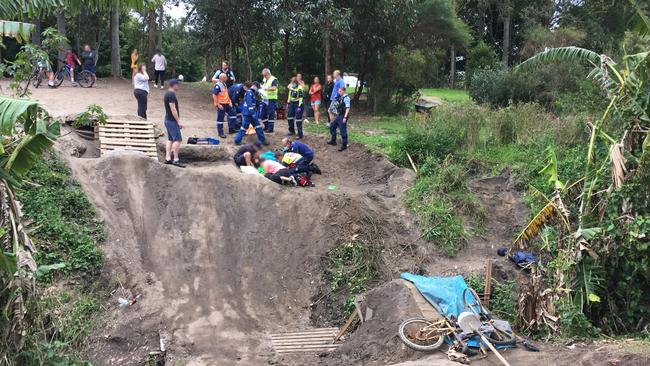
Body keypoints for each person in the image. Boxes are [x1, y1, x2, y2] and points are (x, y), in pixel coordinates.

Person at [163, 79, 185, 167]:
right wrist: (178, 121)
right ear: (174, 85)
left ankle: (168, 158)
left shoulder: (167, 94)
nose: (178, 86)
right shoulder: (171, 95)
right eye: (177, 84)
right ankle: (176, 159)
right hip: (172, 121)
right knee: (178, 140)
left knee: (170, 139)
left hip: (167, 120)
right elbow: (173, 108)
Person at [212, 73, 238, 138]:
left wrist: (229, 102)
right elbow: (214, 95)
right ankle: (220, 133)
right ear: (222, 78)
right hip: (221, 104)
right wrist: (217, 104)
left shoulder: (224, 84)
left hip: (227, 103)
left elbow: (226, 94)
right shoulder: (218, 85)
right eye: (225, 77)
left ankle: (231, 129)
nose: (227, 78)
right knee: (220, 119)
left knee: (233, 114)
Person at [327, 86, 351, 151]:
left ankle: (344, 145)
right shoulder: (340, 97)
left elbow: (347, 108)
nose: (339, 92)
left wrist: (345, 117)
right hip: (339, 115)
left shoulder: (346, 98)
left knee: (342, 130)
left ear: (343, 91)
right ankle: (333, 140)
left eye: (340, 91)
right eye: (339, 91)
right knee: (332, 126)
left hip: (343, 115)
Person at [259, 68, 279, 133]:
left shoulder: (274, 79)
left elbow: (274, 87)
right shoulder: (265, 79)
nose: (264, 77)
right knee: (262, 115)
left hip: (271, 99)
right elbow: (263, 86)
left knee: (270, 114)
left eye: (265, 75)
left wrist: (266, 88)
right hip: (264, 99)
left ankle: (270, 129)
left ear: (268, 73)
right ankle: (267, 126)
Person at [286, 74, 305, 138]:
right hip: (292, 103)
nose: (292, 84)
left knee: (298, 119)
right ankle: (291, 131)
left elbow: (301, 98)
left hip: (298, 103)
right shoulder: (291, 87)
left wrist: (299, 107)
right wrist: (288, 103)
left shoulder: (300, 88)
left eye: (294, 83)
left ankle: (300, 134)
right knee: (290, 117)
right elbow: (289, 95)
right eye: (292, 83)